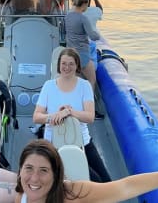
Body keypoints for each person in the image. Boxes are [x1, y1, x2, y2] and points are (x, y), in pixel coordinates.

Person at [15, 138, 158, 203]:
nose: (34, 178)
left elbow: (125, 187)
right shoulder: (21, 196)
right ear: (20, 171)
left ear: (56, 174)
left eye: (44, 171)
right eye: (29, 169)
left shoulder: (72, 193)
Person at [33, 48, 111, 183]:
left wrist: (70, 112)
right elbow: (37, 117)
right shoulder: (49, 86)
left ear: (77, 66)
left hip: (82, 142)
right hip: (55, 145)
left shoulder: (84, 86)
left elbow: (90, 116)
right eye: (63, 63)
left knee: (105, 181)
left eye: (71, 64)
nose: (66, 67)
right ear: (59, 65)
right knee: (93, 180)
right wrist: (55, 116)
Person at [65, 0, 100, 92]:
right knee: (92, 81)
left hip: (70, 53)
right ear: (84, 4)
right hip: (82, 56)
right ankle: (89, 104)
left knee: (74, 83)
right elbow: (93, 36)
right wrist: (98, 35)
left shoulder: (68, 16)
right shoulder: (83, 18)